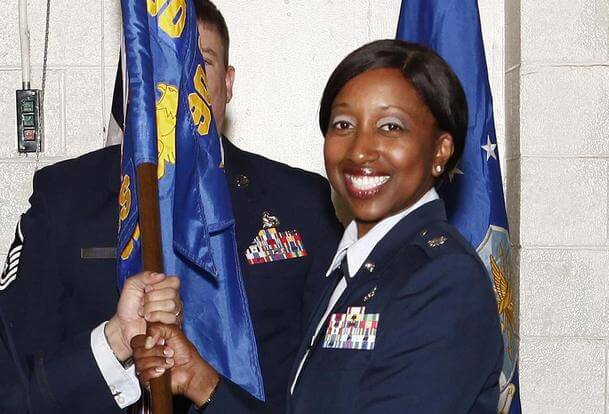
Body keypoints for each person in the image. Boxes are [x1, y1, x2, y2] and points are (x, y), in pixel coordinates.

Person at [0, 1, 341, 413]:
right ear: (134, 83)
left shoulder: (300, 202)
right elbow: (16, 381)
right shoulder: (66, 197)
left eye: (201, 65)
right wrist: (111, 347)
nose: (179, 87)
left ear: (228, 83)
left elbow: (330, 382)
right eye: (159, 71)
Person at [134, 39, 504, 413]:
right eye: (344, 124)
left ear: (441, 150)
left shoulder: (441, 279)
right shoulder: (353, 269)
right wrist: (202, 381)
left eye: (390, 127)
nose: (360, 149)